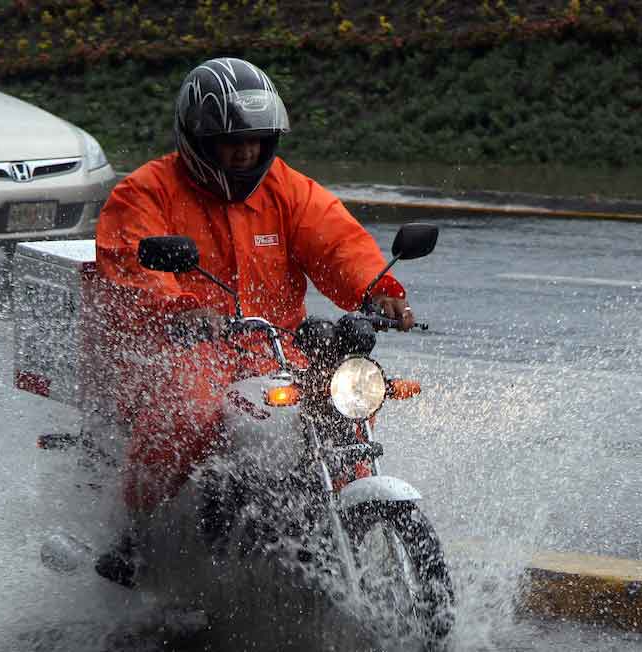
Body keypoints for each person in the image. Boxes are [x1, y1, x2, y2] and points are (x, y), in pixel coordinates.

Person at [91, 57, 415, 586]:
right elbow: (131, 260)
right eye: (230, 141)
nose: (245, 151)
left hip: (279, 346)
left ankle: (341, 499)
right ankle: (137, 533)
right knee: (187, 413)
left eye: (256, 140)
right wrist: (182, 309)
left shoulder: (286, 189)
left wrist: (380, 289)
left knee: (346, 393)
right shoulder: (147, 191)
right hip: (189, 344)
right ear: (197, 139)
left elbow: (337, 241)